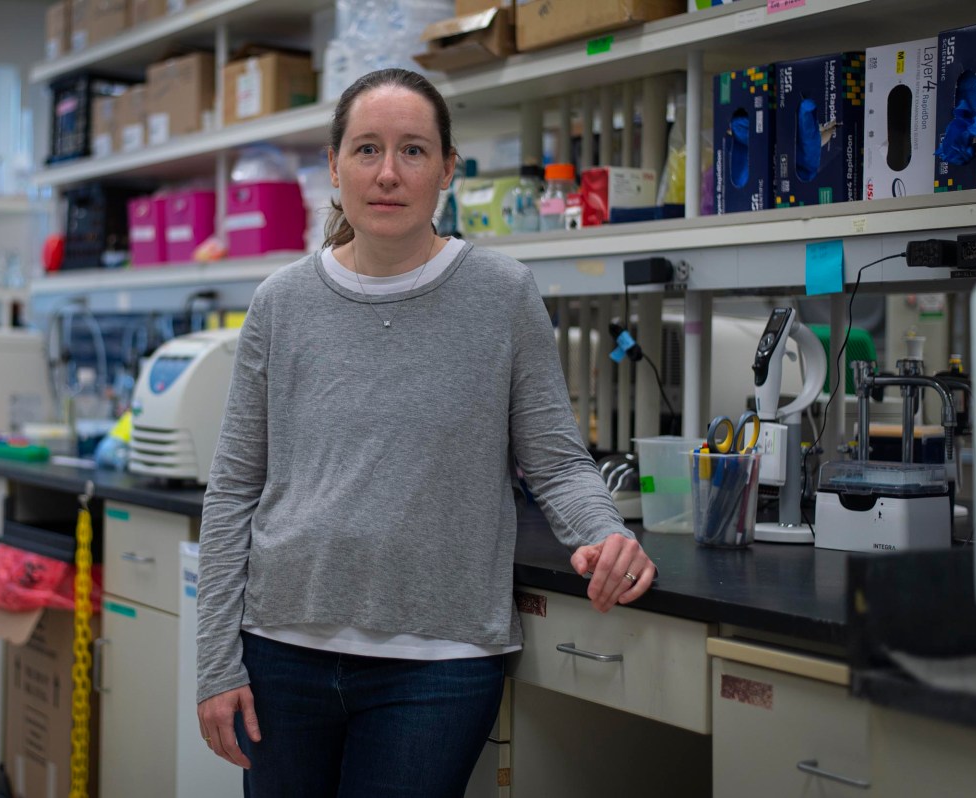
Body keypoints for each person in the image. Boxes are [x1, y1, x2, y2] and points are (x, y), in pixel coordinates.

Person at [196, 68, 657, 797]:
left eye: (412, 151)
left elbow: (558, 463)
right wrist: (217, 663)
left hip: (440, 662)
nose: (387, 173)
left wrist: (606, 534)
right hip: (282, 653)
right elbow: (232, 494)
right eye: (367, 149)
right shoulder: (281, 302)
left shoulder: (501, 294)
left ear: (447, 168)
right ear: (334, 166)